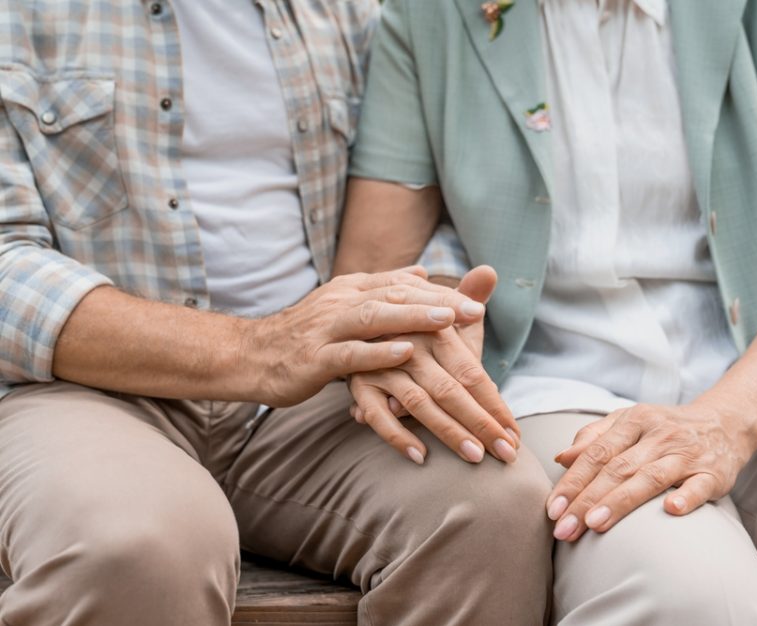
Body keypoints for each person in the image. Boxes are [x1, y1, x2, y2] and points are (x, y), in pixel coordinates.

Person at [0, 2, 559, 625]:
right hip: (75, 392)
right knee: (135, 543)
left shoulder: (352, 12)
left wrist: (421, 313)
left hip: (310, 397)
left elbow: (421, 203)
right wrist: (259, 349)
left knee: (495, 507)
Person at [335, 0, 757, 624]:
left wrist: (724, 422)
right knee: (690, 599)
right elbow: (373, 272)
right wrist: (440, 307)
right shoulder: (430, 15)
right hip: (559, 395)